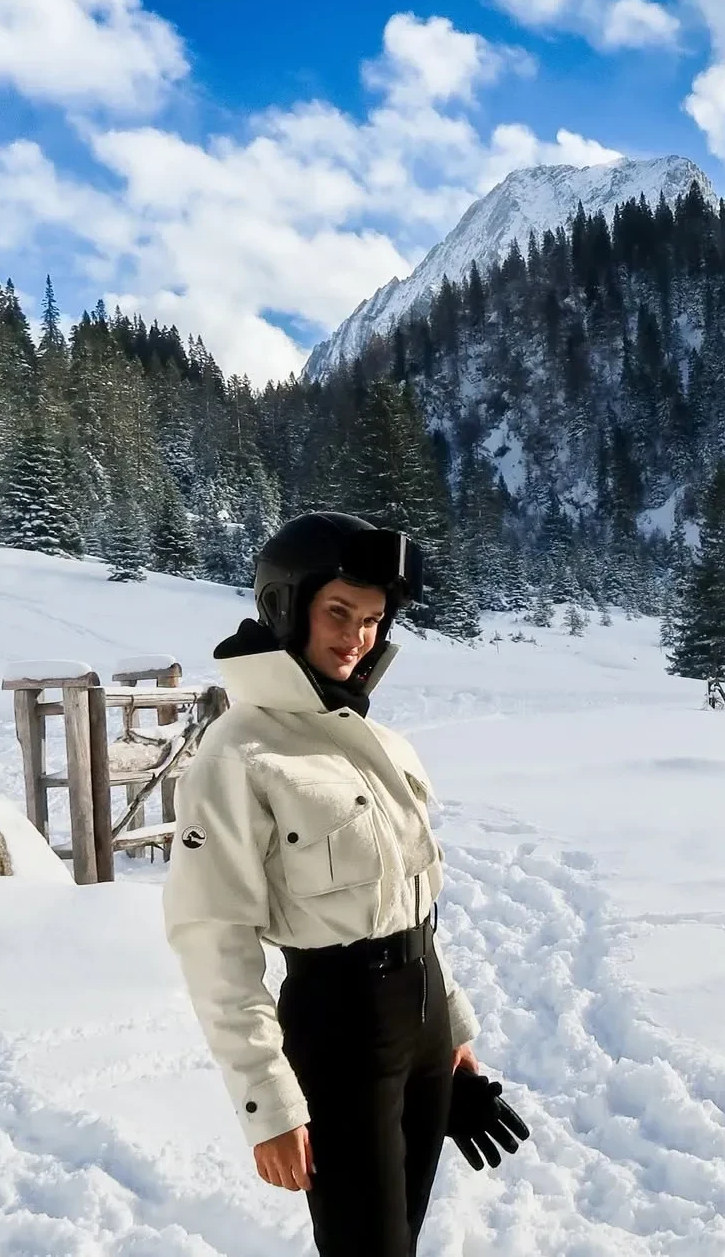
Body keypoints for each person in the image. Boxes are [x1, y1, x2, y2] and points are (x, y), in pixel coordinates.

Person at [162, 511, 481, 1257]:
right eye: (339, 612)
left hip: (422, 1020)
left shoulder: (374, 740)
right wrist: (265, 1101)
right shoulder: (238, 752)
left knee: (399, 1237)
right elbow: (213, 938)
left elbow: (410, 901)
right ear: (287, 604)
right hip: (340, 1033)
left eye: (372, 619)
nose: (357, 637)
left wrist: (452, 1031)